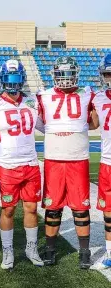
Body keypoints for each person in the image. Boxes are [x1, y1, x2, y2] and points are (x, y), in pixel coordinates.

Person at [0, 59, 44, 269]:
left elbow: (44, 126)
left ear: (22, 79)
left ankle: (31, 248)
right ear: (2, 80)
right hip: (6, 166)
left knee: (31, 208)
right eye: (9, 79)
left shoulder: (32, 103)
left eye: (16, 78)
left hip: (30, 163)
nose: (13, 84)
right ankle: (8, 251)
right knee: (9, 210)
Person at [37, 56, 95, 269]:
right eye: (61, 74)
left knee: (81, 208)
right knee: (53, 209)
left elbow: (94, 123)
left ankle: (84, 252)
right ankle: (50, 250)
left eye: (69, 73)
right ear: (54, 74)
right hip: (54, 159)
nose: (65, 78)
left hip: (78, 159)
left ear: (75, 74)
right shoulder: (43, 96)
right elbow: (41, 124)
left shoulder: (88, 95)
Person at [91, 53, 111, 268]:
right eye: (108, 74)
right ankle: (110, 252)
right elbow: (92, 124)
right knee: (109, 211)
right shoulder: (97, 98)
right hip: (108, 161)